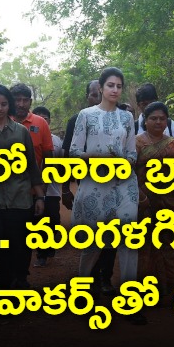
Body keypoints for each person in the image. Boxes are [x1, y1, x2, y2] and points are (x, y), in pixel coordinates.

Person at [70, 67, 146, 324]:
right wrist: (97, 158)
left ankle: (130, 300)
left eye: (119, 86)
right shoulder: (86, 115)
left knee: (128, 241)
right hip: (94, 183)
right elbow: (74, 152)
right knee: (93, 242)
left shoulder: (127, 118)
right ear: (101, 87)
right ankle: (81, 292)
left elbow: (132, 153)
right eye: (110, 85)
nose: (115, 90)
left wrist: (122, 160)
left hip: (124, 184)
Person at [0, 85, 44, 311]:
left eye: (4, 104)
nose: (0, 108)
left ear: (9, 105)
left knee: (11, 247)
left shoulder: (21, 132)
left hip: (19, 198)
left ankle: (3, 294)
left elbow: (32, 165)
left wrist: (40, 196)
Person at [61, 80, 116, 295]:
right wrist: (65, 188)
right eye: (94, 95)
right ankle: (89, 279)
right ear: (88, 97)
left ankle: (105, 279)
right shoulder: (77, 120)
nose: (98, 98)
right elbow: (67, 155)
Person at [135, 102, 174, 297]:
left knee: (172, 242)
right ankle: (149, 289)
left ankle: (173, 286)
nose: (158, 122)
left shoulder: (173, 142)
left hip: (171, 201)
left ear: (167, 121)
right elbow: (130, 174)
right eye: (153, 118)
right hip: (146, 201)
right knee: (147, 244)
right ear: (145, 120)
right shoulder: (137, 143)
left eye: (162, 118)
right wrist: (142, 196)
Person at [10, 83, 52, 284]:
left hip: (30, 190)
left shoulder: (40, 123)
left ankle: (21, 275)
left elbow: (48, 156)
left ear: (30, 101)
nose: (20, 104)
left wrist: (42, 187)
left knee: (26, 234)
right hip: (3, 191)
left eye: (25, 100)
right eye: (17, 99)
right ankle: (4, 275)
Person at [32, 105, 62, 267]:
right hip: (34, 190)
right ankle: (41, 253)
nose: (42, 120)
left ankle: (49, 245)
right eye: (39, 117)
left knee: (52, 220)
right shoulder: (28, 135)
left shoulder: (57, 141)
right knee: (38, 221)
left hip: (52, 190)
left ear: (49, 121)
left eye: (45, 118)